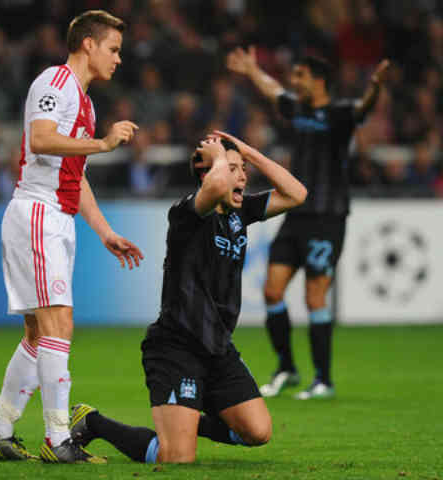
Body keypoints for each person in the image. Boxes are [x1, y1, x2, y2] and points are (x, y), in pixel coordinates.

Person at [67, 131, 307, 464]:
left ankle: (186, 418)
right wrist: (221, 159)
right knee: (176, 458)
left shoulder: (241, 213)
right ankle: (92, 421)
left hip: (219, 348)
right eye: (233, 169)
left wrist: (247, 152)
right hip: (176, 348)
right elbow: (213, 189)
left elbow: (296, 194)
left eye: (243, 170)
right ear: (209, 174)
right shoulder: (186, 214)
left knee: (258, 431)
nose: (242, 176)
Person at [0, 10, 143, 464]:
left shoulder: (85, 103)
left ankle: (0, 430)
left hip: (59, 216)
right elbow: (42, 139)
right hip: (37, 213)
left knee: (37, 332)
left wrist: (105, 231)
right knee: (58, 324)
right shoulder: (55, 82)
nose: (118, 59)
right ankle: (57, 438)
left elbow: (76, 175)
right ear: (88, 43)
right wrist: (104, 144)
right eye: (113, 49)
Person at [227, 47, 389, 399]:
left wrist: (375, 86)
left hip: (328, 217)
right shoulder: (298, 109)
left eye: (300, 75)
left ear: (317, 80)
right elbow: (273, 91)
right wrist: (253, 70)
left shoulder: (341, 112)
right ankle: (286, 367)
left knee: (315, 297)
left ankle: (323, 379)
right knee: (272, 290)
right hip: (295, 215)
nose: (294, 80)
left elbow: (365, 109)